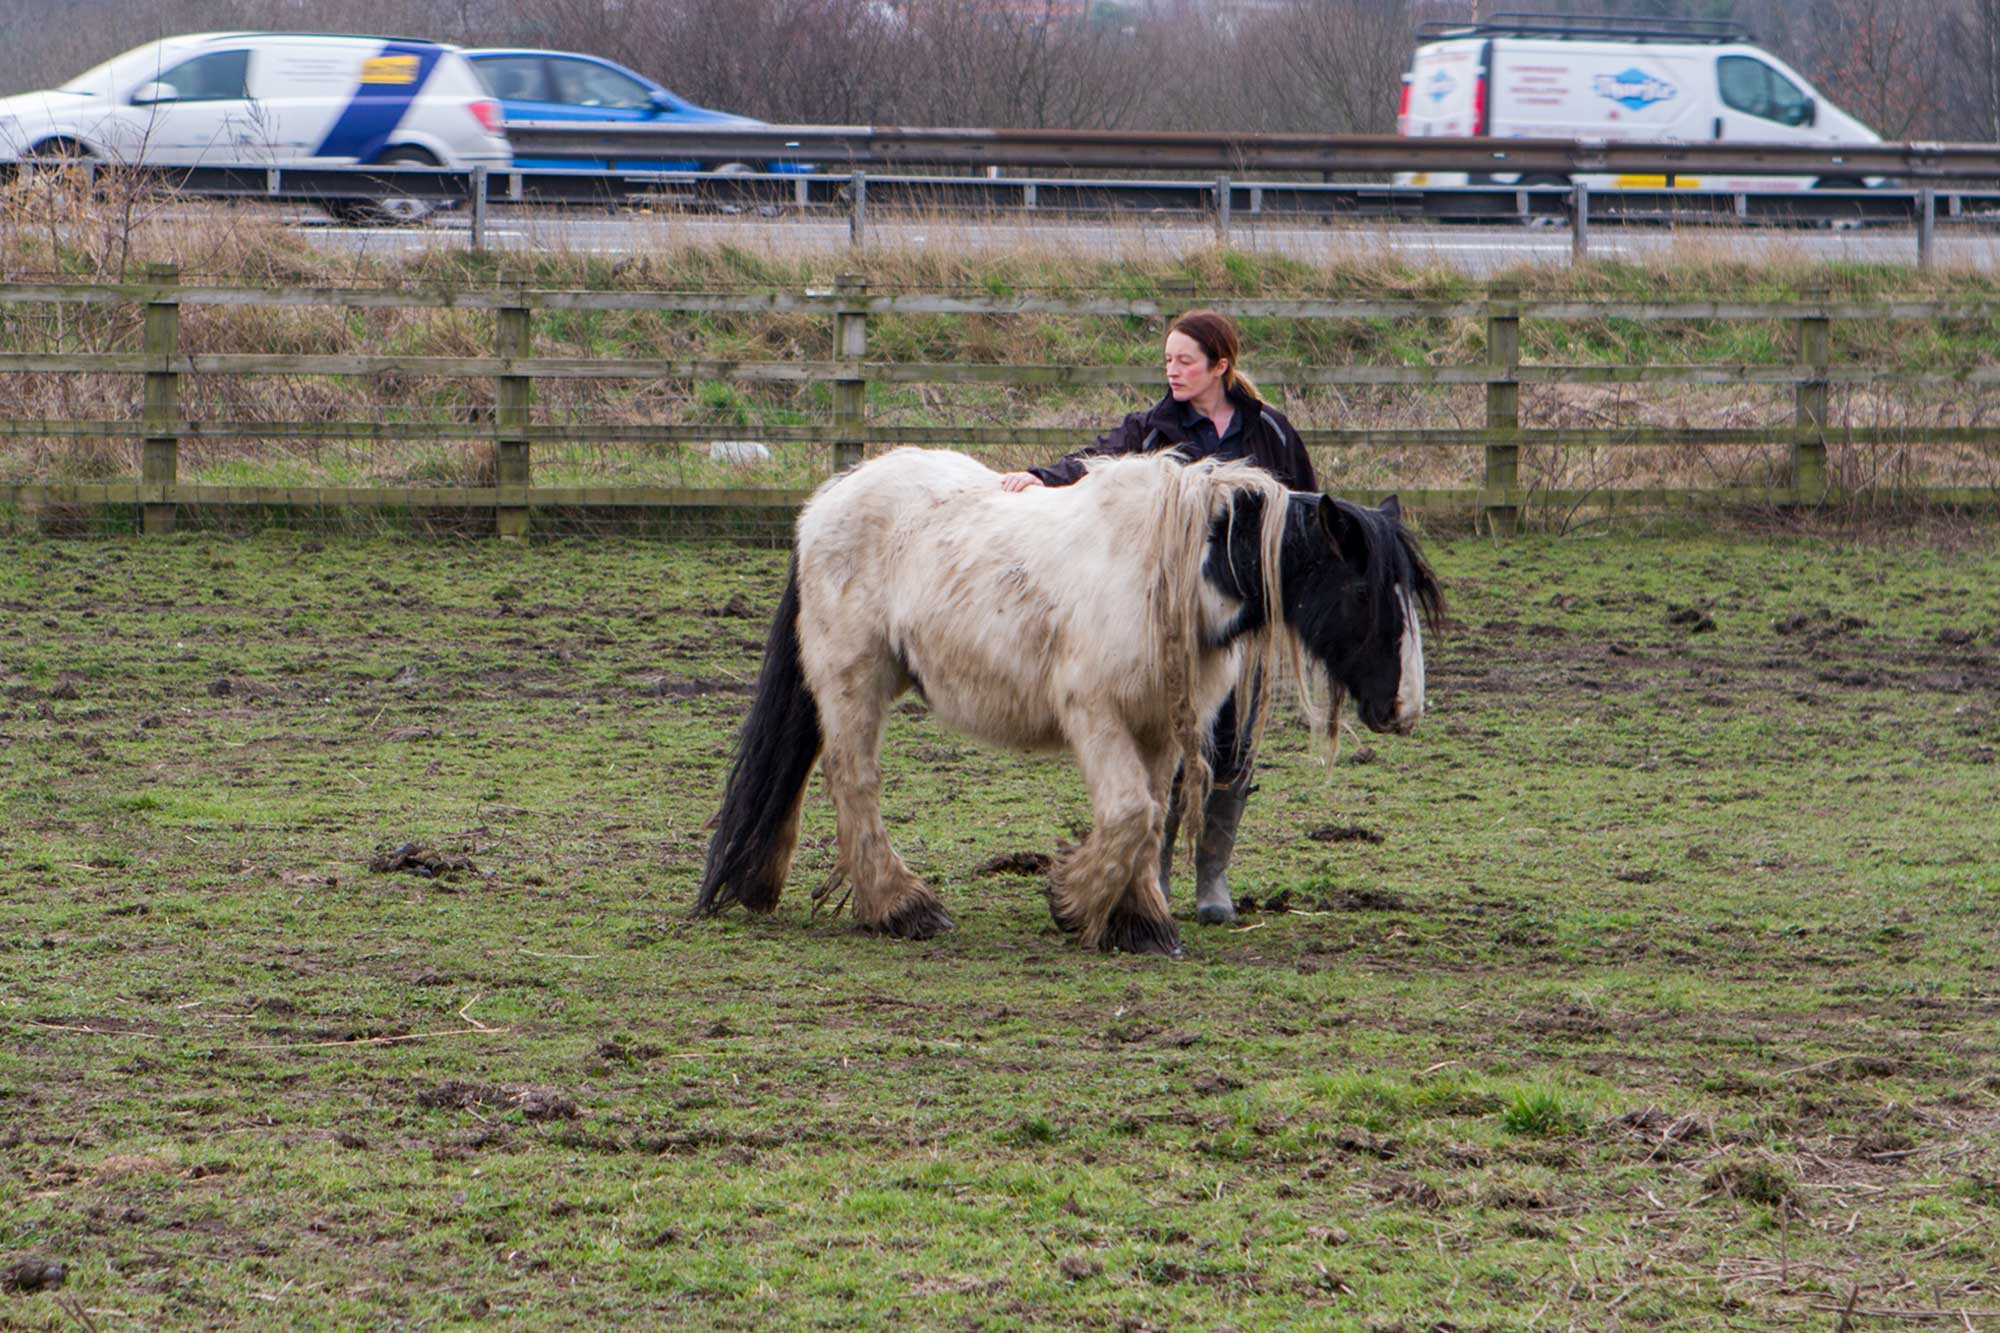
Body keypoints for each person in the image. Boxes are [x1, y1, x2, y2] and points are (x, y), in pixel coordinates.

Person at [999, 310, 1317, 926]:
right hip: (1170, 622)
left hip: (1242, 620)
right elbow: (1096, 464)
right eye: (1167, 360)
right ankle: (1157, 870)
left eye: (1185, 361)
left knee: (1233, 745)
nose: (1172, 371)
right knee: (1171, 739)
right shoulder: (1154, 430)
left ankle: (1213, 875)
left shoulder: (1271, 434)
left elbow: (1298, 514)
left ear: (1219, 366)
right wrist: (1040, 478)